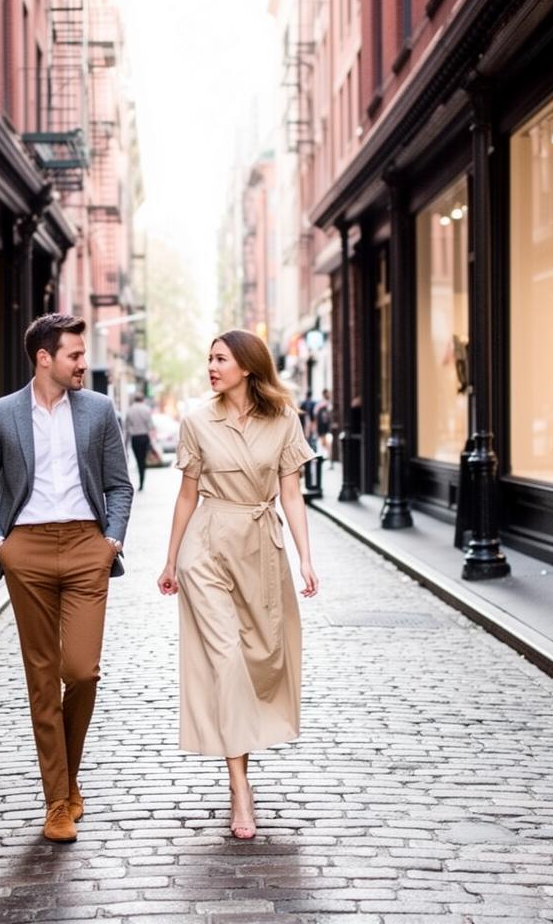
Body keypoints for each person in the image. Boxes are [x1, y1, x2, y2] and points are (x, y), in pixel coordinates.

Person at [0, 313, 134, 843]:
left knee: (81, 671)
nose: (84, 363)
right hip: (29, 553)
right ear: (45, 359)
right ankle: (58, 801)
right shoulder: (0, 415)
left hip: (88, 546)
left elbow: (119, 484)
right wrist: (1, 544)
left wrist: (110, 540)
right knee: (42, 677)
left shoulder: (98, 410)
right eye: (75, 355)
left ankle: (69, 778)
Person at [156, 329, 320, 840]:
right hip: (206, 546)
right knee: (226, 658)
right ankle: (239, 788)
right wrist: (169, 561)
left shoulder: (284, 419)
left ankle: (244, 766)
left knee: (263, 656)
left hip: (260, 547)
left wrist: (305, 558)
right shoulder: (196, 421)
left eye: (220, 359)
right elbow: (186, 496)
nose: (211, 367)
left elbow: (292, 495)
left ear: (247, 367)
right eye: (208, 359)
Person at [123, 392, 156, 491]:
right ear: (142, 399)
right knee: (143, 460)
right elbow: (151, 426)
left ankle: (141, 480)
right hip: (144, 437)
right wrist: (153, 441)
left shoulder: (130, 410)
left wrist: (125, 443)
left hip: (135, 438)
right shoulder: (146, 409)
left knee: (138, 460)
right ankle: (142, 481)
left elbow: (126, 428)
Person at [315, 388, 333, 464]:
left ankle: (329, 457)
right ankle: (328, 457)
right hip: (323, 426)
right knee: (324, 442)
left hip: (325, 426)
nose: (330, 395)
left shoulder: (323, 404)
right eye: (328, 393)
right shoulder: (323, 404)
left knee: (326, 442)